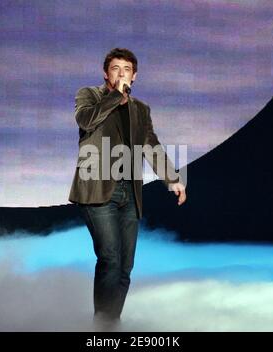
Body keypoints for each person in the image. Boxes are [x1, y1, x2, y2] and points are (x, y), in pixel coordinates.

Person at [68, 48, 186, 329]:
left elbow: (151, 146)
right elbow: (86, 121)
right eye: (115, 69)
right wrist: (115, 96)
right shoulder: (89, 95)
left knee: (125, 267)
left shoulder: (140, 109)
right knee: (109, 257)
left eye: (127, 70)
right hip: (97, 190)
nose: (121, 74)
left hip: (130, 192)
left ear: (135, 75)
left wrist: (173, 178)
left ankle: (112, 324)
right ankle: (101, 326)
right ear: (105, 73)